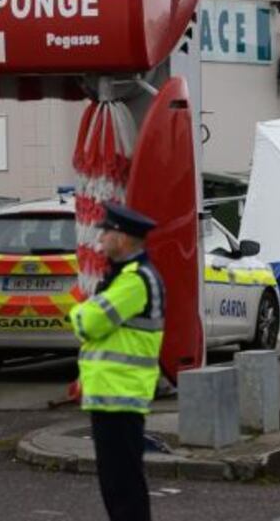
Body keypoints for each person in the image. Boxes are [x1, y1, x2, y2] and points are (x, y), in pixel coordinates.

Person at [70, 202, 164, 521]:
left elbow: (89, 323)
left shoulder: (136, 280)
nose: (101, 239)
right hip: (110, 395)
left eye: (106, 233)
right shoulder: (121, 277)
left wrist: (78, 312)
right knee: (115, 486)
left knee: (123, 487)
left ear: (122, 239)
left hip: (122, 396)